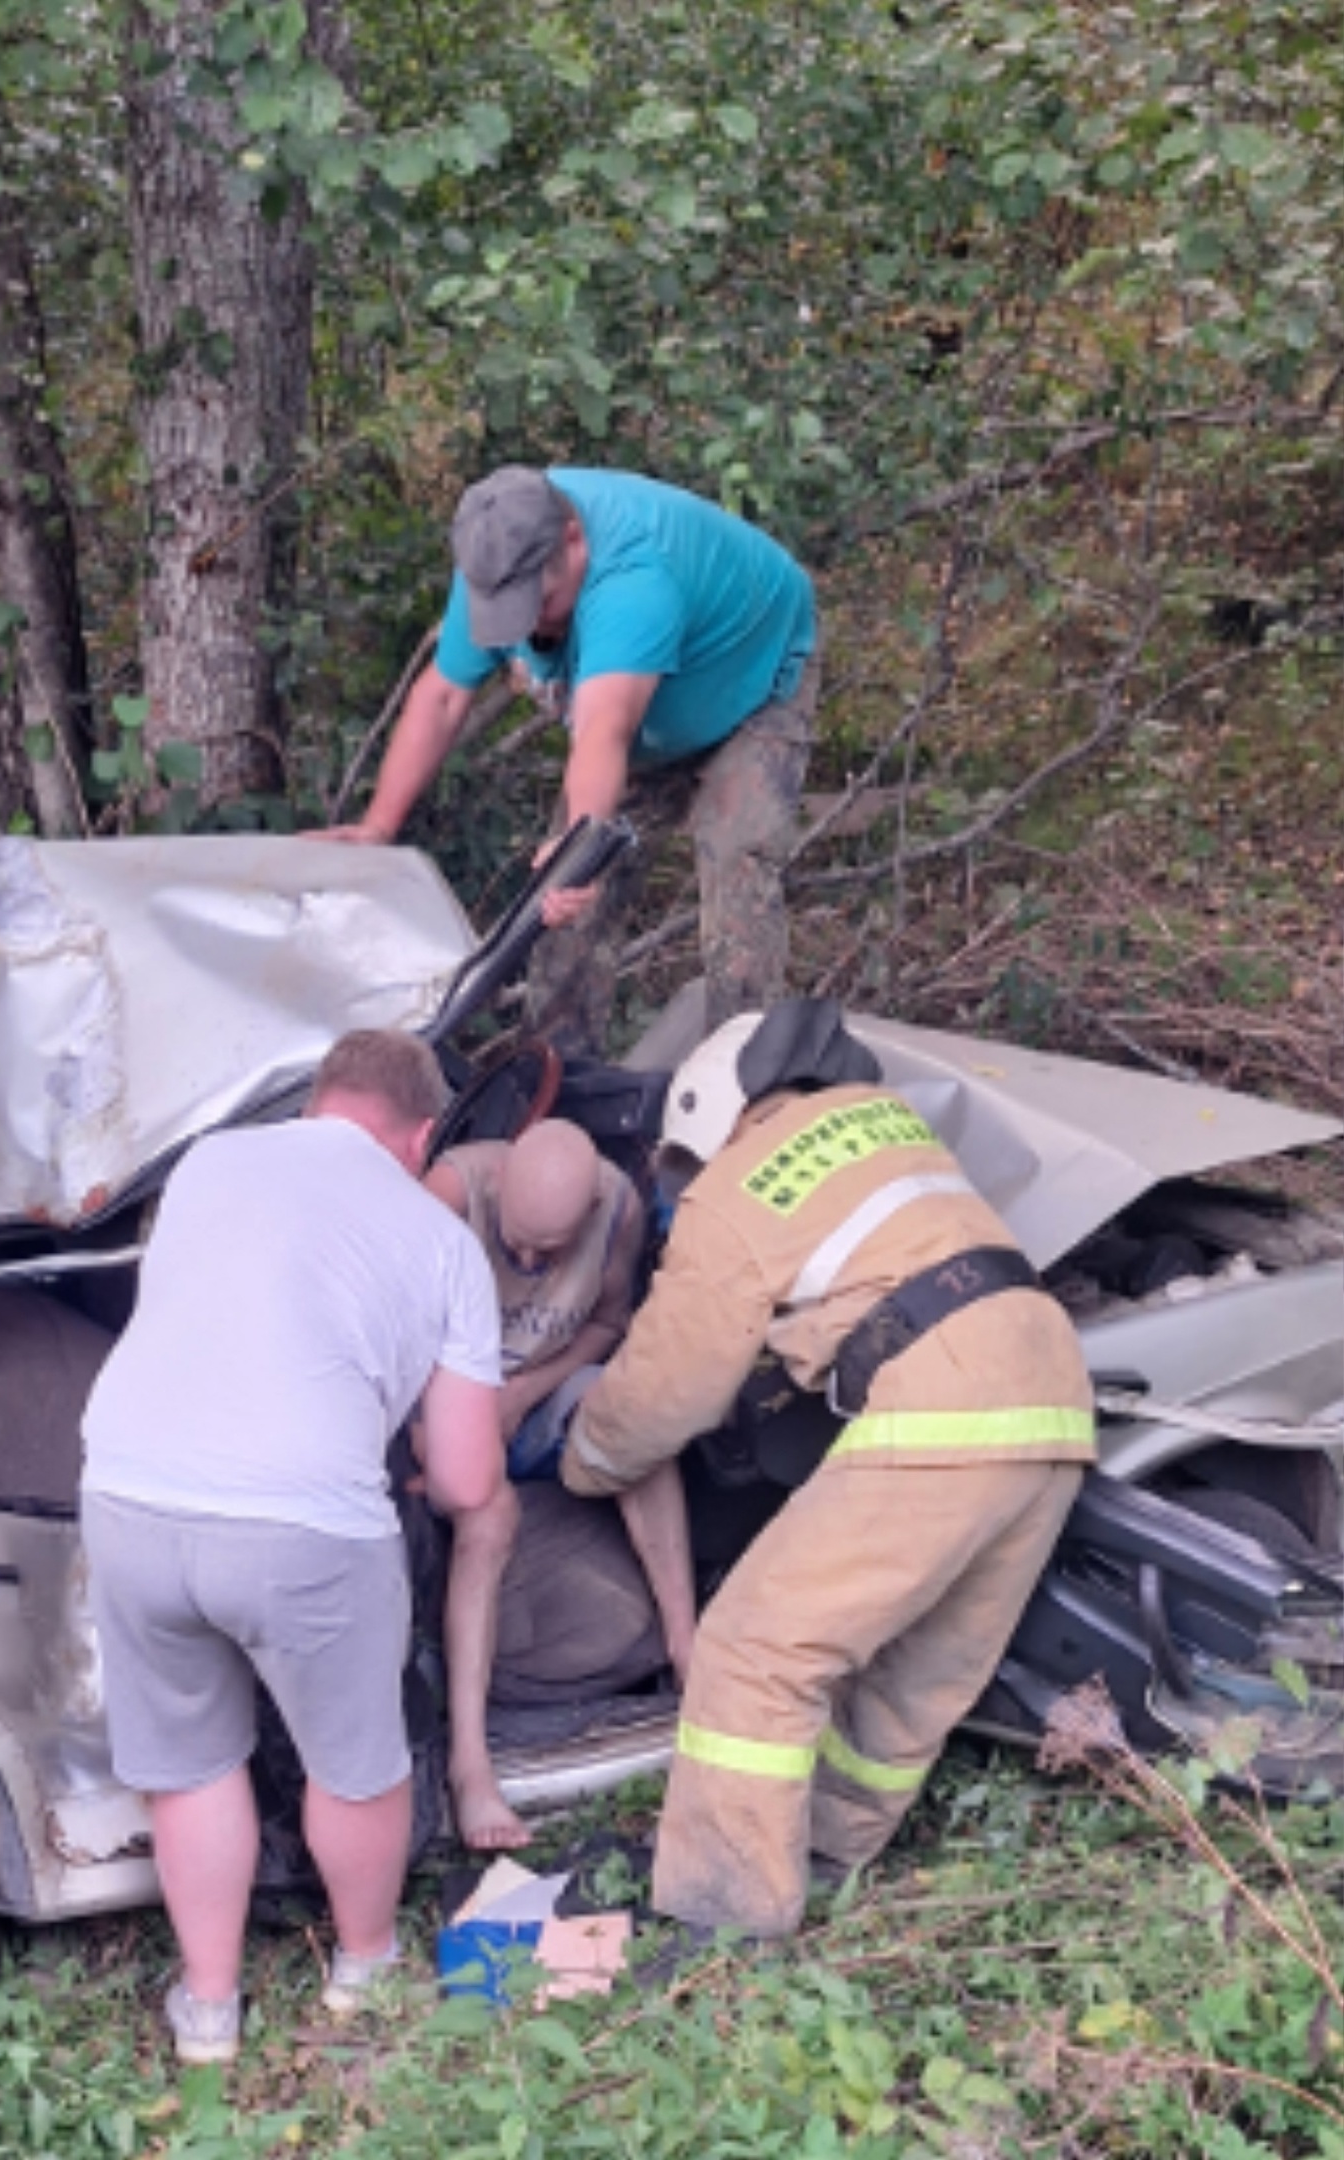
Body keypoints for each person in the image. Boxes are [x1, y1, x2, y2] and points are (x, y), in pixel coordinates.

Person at [559, 999, 1095, 1938]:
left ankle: (723, 1919)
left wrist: (586, 1457)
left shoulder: (736, 1185)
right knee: (916, 1670)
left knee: (756, 1649)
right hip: (1052, 1393)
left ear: (704, 1113)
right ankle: (825, 1850)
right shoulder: (886, 1128)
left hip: (943, 1401)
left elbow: (670, 1386)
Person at [80, 1030, 503, 2065]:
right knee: (355, 1767)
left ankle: (210, 2010)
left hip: (129, 1494)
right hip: (305, 1523)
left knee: (188, 1765)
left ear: (319, 1102)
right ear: (417, 1137)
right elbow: (464, 1482)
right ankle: (364, 1966)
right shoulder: (441, 1240)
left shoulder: (206, 1160)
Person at [317, 466, 819, 1055]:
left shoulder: (632, 581)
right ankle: (554, 1079)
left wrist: (579, 852)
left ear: (574, 539)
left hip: (750, 686)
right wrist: (379, 827)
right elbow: (444, 696)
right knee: (561, 902)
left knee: (736, 860)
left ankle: (749, 1081)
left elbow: (604, 730)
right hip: (636, 714)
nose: (527, 623)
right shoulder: (495, 552)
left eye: (541, 602)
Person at [424, 1118, 698, 1850]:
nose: (523, 1258)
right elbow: (381, 1328)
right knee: (490, 1522)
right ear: (499, 1179)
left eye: (546, 1251)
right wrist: (442, 1423)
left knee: (629, 1414)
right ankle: (470, 1765)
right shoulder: (451, 1191)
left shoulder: (618, 1210)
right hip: (441, 1408)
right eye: (515, 1239)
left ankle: (685, 1649)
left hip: (535, 1401)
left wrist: (523, 1394)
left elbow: (608, 1323)